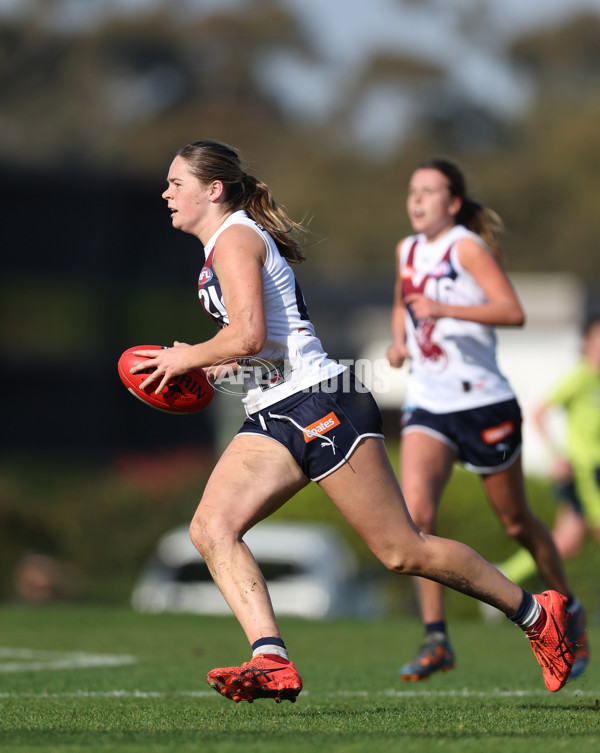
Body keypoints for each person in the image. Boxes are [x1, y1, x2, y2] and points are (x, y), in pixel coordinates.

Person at [132, 140, 573, 704]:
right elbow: (257, 347)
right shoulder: (222, 245)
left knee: (402, 551)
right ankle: (272, 661)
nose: (166, 193)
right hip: (273, 410)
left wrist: (186, 356)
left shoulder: (235, 238)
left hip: (320, 404)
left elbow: (247, 333)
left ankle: (539, 615)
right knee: (210, 529)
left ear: (213, 189)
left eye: (176, 183)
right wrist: (214, 371)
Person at [386, 157, 588, 683]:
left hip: (483, 403)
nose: (417, 199)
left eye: (429, 191)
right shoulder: (406, 249)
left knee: (516, 522)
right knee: (415, 519)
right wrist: (400, 342)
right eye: (413, 191)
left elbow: (511, 311)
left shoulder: (465, 247)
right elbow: (404, 304)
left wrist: (445, 311)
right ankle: (436, 639)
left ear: (452, 204)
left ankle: (566, 610)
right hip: (429, 403)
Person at [497, 316, 600, 674]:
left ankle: (506, 583)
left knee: (565, 544)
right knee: (562, 542)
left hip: (595, 481)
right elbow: (540, 412)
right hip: (582, 479)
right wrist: (557, 455)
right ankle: (505, 582)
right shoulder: (580, 379)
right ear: (586, 344)